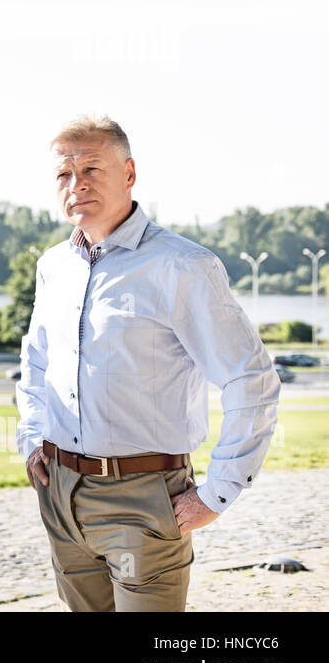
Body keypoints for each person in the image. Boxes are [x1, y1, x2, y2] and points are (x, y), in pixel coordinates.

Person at [16, 115, 281, 612]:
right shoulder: (54, 265)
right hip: (60, 490)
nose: (78, 184)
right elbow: (36, 363)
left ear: (130, 173)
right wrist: (32, 439)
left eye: (92, 168)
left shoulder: (181, 266)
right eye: (64, 175)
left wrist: (218, 491)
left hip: (144, 496)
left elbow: (251, 378)